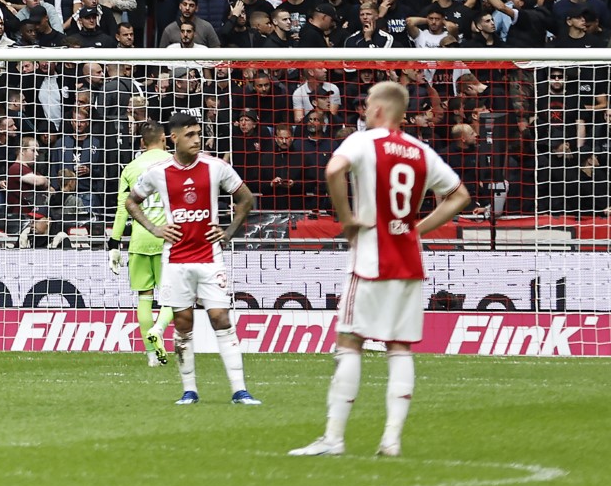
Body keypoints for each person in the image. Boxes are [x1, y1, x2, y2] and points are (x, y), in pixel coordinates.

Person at [289, 81, 471, 459]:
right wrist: (418, 229)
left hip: (371, 257)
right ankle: (391, 441)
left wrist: (347, 218)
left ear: (379, 110)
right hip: (408, 259)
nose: (364, 110)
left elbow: (333, 170)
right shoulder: (422, 151)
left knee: (350, 342)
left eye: (368, 104)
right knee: (399, 347)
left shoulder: (363, 141)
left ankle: (334, 439)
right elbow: (461, 196)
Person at [124, 110, 260, 406]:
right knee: (183, 323)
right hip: (176, 260)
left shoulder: (216, 167)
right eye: (190, 135)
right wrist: (155, 228)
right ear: (173, 138)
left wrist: (228, 232)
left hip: (210, 258)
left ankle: (240, 390)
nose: (197, 140)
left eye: (198, 134)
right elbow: (131, 201)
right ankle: (189, 391)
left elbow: (246, 198)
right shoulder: (159, 172)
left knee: (221, 318)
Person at [109, 120, 176, 366]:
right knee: (174, 298)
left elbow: (122, 209)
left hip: (139, 240)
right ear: (165, 139)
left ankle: (151, 356)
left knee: (144, 298)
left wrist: (114, 244)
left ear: (141, 142)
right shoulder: (175, 164)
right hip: (169, 239)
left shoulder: (130, 168)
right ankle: (158, 329)